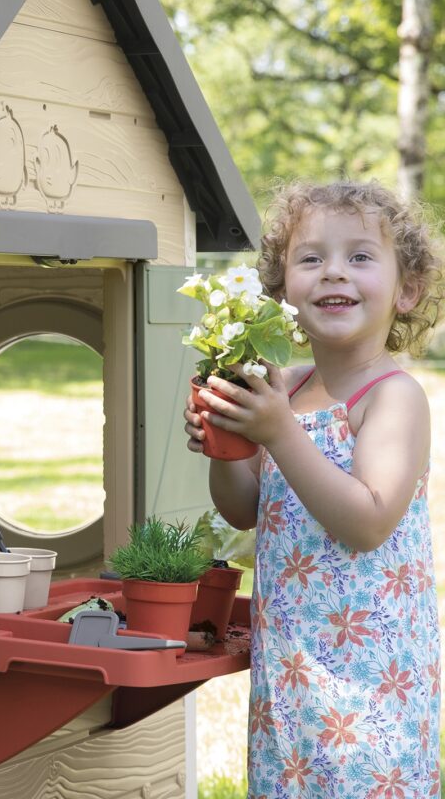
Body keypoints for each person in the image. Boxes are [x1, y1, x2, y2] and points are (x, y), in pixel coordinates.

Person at [184, 180, 443, 796]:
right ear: (280, 292)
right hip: (294, 671)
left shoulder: (393, 397)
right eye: (310, 258)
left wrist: (277, 432)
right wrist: (226, 443)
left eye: (360, 256)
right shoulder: (287, 388)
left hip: (372, 679)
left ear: (406, 290)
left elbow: (367, 522)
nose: (334, 272)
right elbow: (243, 509)